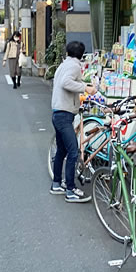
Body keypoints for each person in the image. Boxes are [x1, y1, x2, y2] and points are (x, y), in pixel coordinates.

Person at [50, 41, 96, 202]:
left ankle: (56, 184)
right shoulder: (75, 66)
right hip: (64, 114)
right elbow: (66, 83)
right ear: (82, 54)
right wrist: (86, 88)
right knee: (73, 151)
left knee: (62, 150)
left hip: (57, 112)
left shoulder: (64, 64)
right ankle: (70, 190)